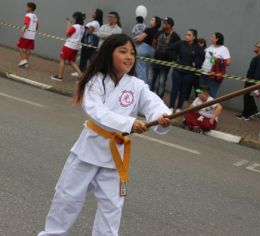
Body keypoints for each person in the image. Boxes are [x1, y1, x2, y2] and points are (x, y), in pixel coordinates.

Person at [38, 34, 172, 236]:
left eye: (132, 53)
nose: (129, 57)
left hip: (114, 158)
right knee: (67, 199)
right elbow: (96, 112)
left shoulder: (136, 85)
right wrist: (130, 123)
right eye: (123, 51)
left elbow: (153, 102)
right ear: (109, 54)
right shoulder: (94, 81)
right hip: (87, 152)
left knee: (112, 209)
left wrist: (162, 116)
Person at [168, 29, 205, 113]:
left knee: (184, 90)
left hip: (189, 73)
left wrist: (196, 63)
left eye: (189, 35)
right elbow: (170, 48)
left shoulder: (197, 47)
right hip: (178, 71)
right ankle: (171, 106)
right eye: (186, 34)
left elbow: (202, 57)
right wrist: (174, 58)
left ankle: (179, 108)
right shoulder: (180, 43)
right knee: (175, 89)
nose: (186, 36)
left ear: (194, 37)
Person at [150, 17, 180, 98]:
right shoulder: (159, 32)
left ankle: (158, 99)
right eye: (163, 22)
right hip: (155, 60)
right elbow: (154, 42)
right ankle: (148, 97)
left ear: (170, 25)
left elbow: (177, 50)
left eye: (165, 23)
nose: (163, 24)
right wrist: (157, 51)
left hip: (165, 64)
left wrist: (171, 56)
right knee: (151, 80)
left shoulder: (175, 37)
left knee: (161, 82)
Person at [236, 42, 260, 121]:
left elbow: (259, 71)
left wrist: (255, 84)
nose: (254, 47)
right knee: (248, 97)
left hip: (252, 82)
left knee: (247, 97)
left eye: (256, 46)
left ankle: (248, 114)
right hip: (250, 81)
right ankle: (249, 112)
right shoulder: (258, 57)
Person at [50, 12, 85, 81]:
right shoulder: (82, 27)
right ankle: (81, 75)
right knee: (71, 61)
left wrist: (69, 24)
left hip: (69, 46)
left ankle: (60, 76)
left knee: (62, 59)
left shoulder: (75, 26)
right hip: (76, 46)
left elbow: (67, 34)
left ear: (75, 18)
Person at [200, 32, 231, 98]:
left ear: (217, 39)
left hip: (213, 75)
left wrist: (217, 60)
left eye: (212, 37)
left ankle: (209, 108)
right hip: (203, 72)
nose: (210, 38)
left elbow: (228, 62)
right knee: (201, 92)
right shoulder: (210, 47)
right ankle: (201, 107)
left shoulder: (224, 49)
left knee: (211, 94)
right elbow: (204, 55)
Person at [135, 16, 161, 83]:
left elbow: (140, 39)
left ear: (156, 23)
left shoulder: (148, 30)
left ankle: (142, 84)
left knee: (141, 68)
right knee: (150, 69)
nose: (150, 21)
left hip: (143, 49)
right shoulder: (159, 33)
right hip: (153, 51)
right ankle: (149, 85)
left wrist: (136, 39)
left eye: (152, 20)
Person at [77, 8, 103, 74]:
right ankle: (82, 71)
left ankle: (82, 72)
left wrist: (83, 28)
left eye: (94, 12)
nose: (92, 13)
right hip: (88, 42)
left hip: (88, 42)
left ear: (97, 15)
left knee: (85, 57)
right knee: (85, 57)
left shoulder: (95, 22)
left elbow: (90, 31)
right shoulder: (94, 22)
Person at [17, 2, 38, 68]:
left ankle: (23, 60)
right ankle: (26, 63)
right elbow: (37, 26)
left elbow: (26, 24)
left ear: (30, 8)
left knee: (19, 46)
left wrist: (22, 33)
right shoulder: (35, 16)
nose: (25, 8)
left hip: (26, 35)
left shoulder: (28, 15)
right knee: (28, 49)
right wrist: (33, 32)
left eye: (27, 7)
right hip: (32, 36)